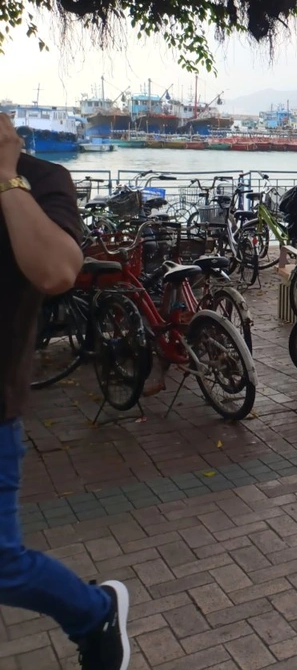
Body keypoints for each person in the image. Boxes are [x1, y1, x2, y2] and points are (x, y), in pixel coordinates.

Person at [0, 112, 130, 670]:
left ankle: (92, 611)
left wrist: (6, 177)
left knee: (2, 565)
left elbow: (57, 271)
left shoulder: (39, 179)